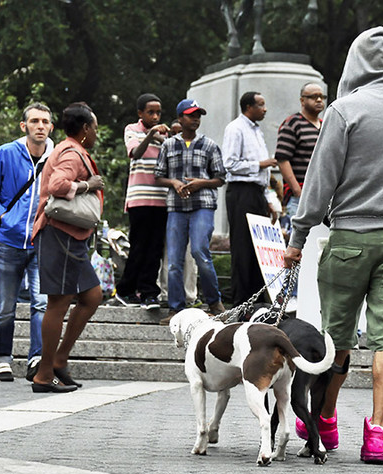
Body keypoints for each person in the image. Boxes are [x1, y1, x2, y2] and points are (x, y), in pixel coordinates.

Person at [283, 26, 383, 464]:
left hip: (349, 237)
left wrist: (298, 237)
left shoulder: (343, 111)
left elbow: (319, 181)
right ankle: (378, 435)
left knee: (338, 335)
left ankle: (325, 420)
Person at [0, 103, 53, 382]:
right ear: (24, 126)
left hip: (42, 241)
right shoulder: (6, 153)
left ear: (51, 127)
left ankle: (36, 358)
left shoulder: (56, 157)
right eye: (34, 121)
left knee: (41, 303)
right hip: (8, 241)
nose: (40, 126)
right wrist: (6, 217)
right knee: (5, 304)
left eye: (45, 121)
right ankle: (1, 359)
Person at [31, 102, 105, 393]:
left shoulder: (72, 149)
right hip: (59, 235)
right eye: (95, 127)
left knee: (92, 296)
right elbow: (58, 185)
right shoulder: (72, 152)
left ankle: (59, 359)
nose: (96, 132)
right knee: (58, 303)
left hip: (72, 238)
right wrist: (88, 185)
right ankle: (44, 374)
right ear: (85, 129)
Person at [154, 99, 227, 324]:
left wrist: (200, 183)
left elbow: (220, 178)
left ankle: (214, 302)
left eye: (198, 115)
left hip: (202, 205)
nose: (195, 119)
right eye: (190, 115)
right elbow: (158, 176)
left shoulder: (210, 145)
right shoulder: (168, 145)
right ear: (179, 119)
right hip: (176, 207)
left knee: (199, 252)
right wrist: (174, 183)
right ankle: (176, 309)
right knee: (174, 260)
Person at [221, 91, 277, 305]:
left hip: (257, 192)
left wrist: (269, 200)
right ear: (248, 107)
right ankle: (241, 300)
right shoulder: (235, 128)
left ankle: (256, 298)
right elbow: (230, 164)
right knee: (243, 246)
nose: (265, 109)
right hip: (241, 192)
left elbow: (263, 175)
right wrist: (260, 164)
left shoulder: (256, 131)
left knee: (258, 247)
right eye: (261, 105)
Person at [116, 93, 170, 309]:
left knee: (155, 250)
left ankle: (148, 292)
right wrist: (151, 135)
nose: (155, 116)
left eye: (158, 112)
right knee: (139, 247)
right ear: (140, 113)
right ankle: (125, 290)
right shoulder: (132, 130)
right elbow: (135, 153)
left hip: (161, 199)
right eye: (151, 112)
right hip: (139, 199)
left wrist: (162, 138)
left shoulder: (165, 138)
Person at [275, 82, 325, 218]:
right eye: (314, 96)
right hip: (300, 198)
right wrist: (297, 191)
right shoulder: (293, 123)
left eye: (321, 96)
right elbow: (282, 159)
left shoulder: (326, 124)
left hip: (324, 197)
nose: (319, 100)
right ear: (302, 100)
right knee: (299, 238)